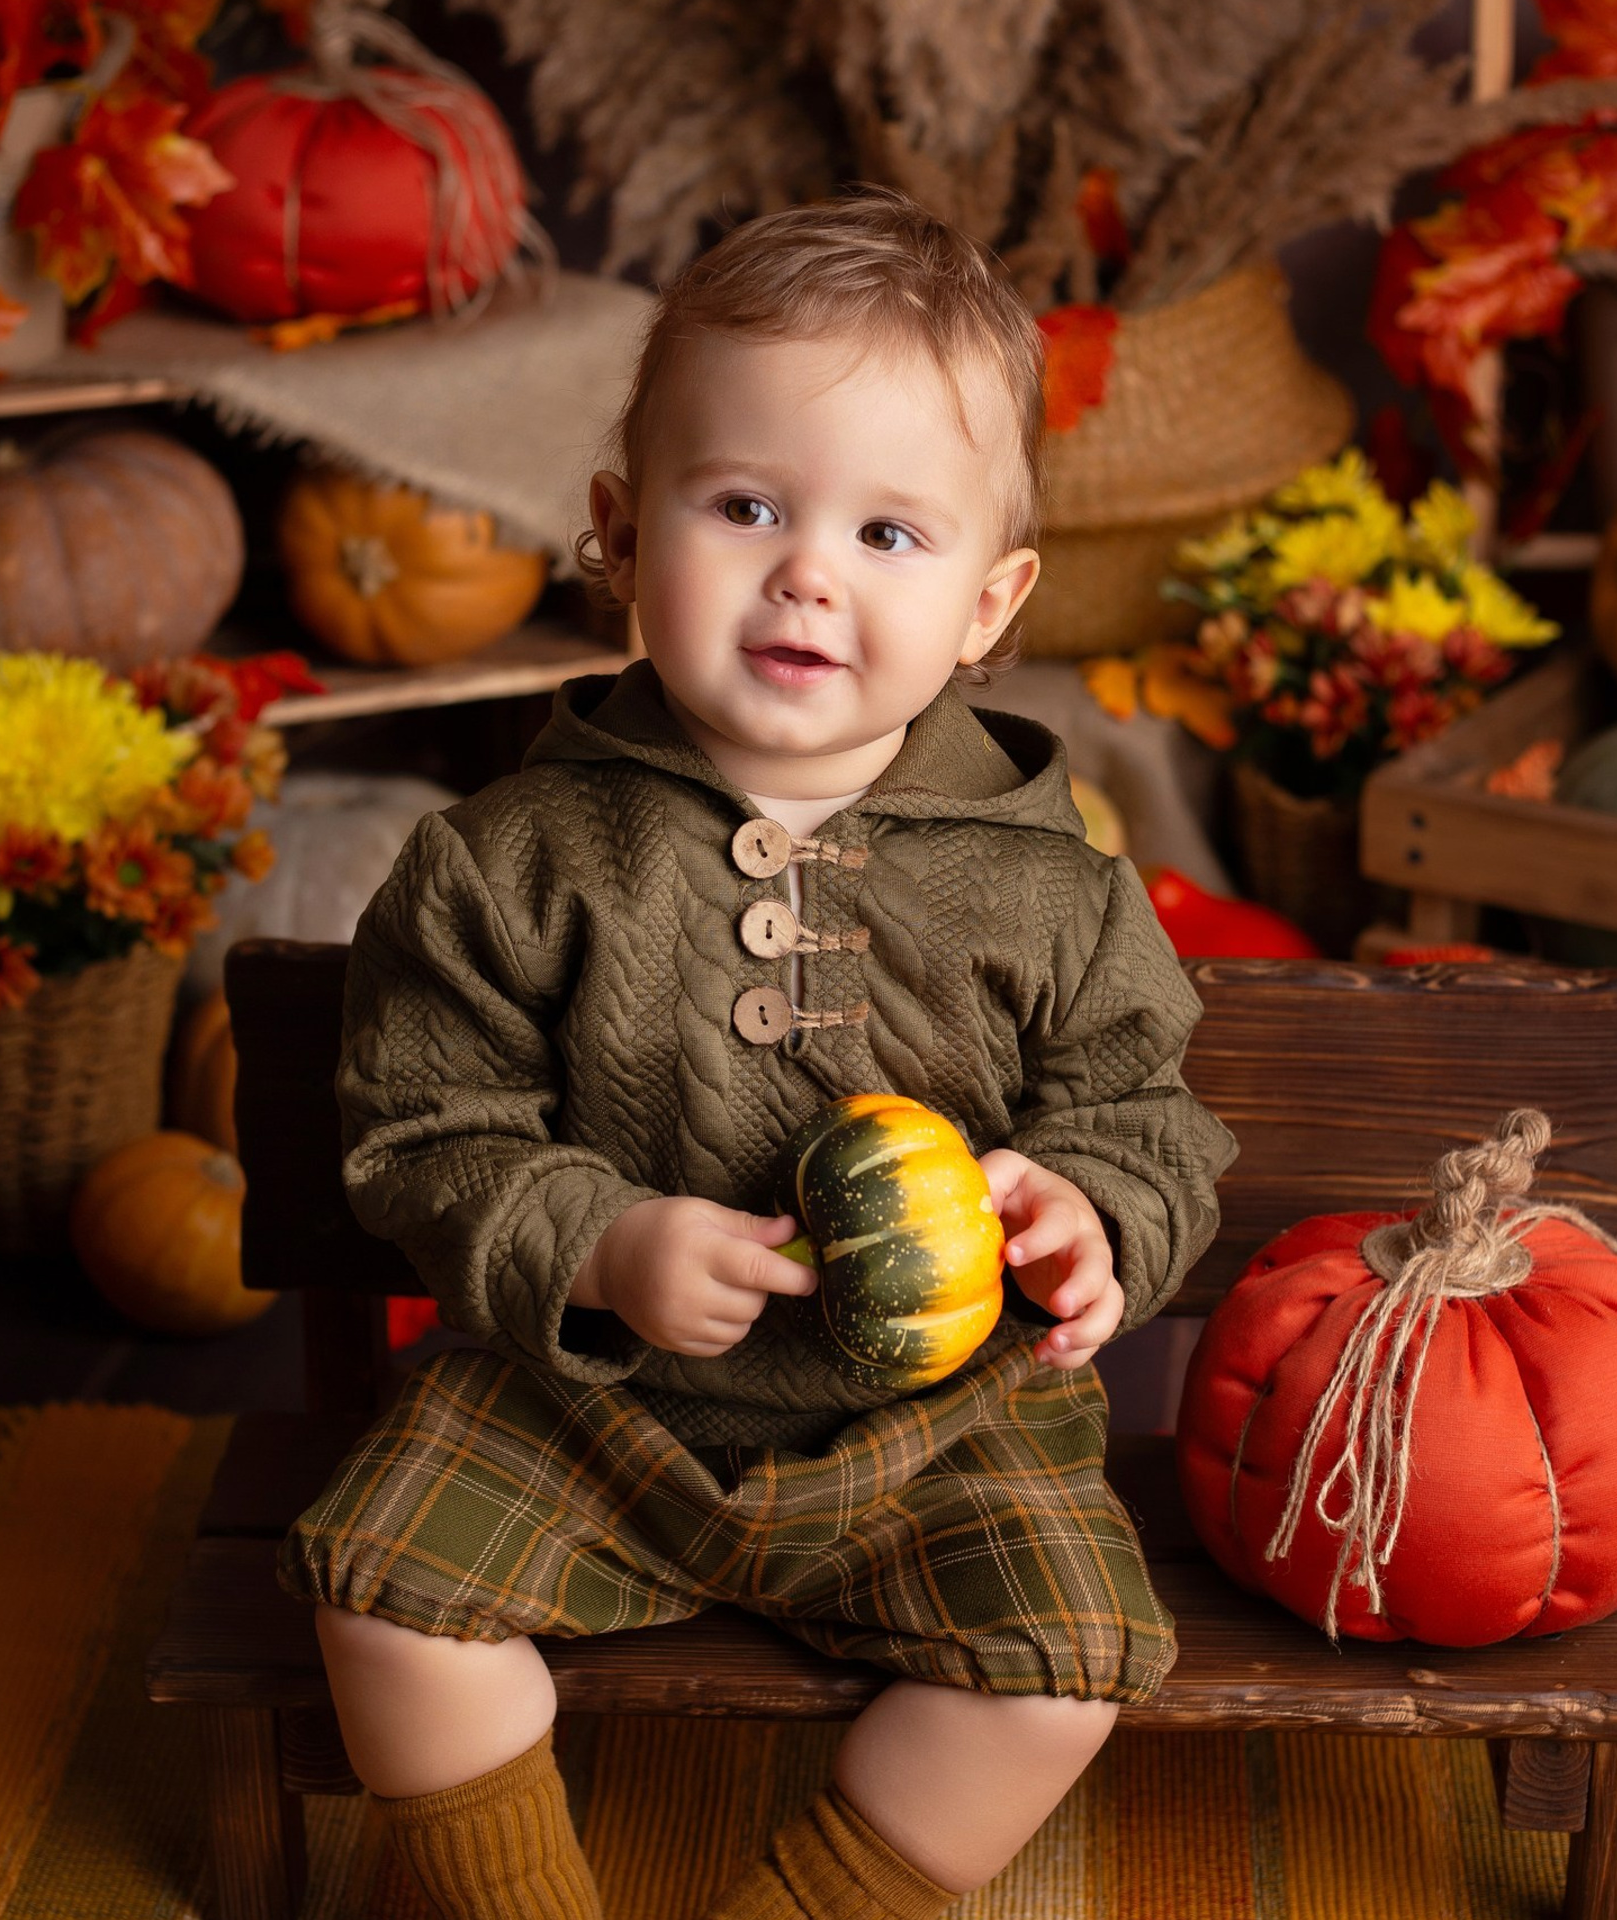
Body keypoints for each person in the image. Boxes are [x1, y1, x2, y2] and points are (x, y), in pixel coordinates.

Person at [280, 186, 1238, 1920]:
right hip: (583, 1400)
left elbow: (1142, 1115)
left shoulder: (1056, 885)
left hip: (940, 1425)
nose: (807, 569)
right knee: (383, 1607)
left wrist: (1093, 1215)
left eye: (891, 536)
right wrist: (596, 1238)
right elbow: (426, 1131)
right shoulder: (510, 860)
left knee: (1064, 1670)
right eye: (744, 506)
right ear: (617, 529)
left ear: (990, 604)